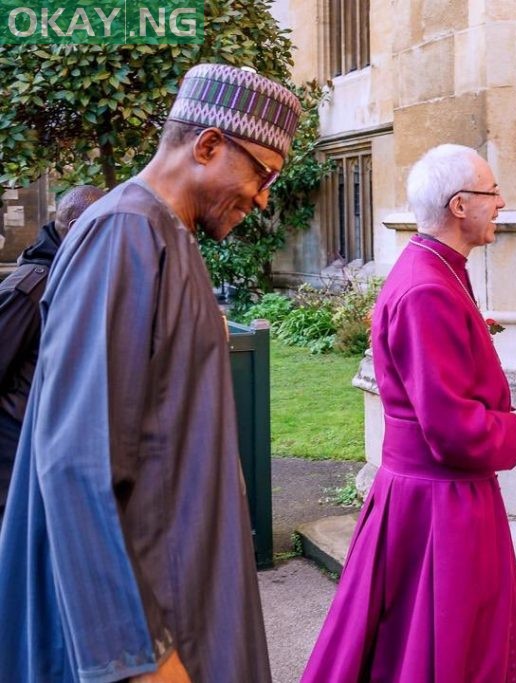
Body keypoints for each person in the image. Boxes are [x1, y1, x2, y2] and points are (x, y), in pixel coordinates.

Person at [0, 63, 300, 683]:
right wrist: (137, 656)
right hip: (151, 621)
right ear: (209, 145)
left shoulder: (165, 235)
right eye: (262, 173)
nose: (264, 195)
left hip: (182, 587)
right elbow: (77, 462)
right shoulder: (124, 233)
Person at [303, 144, 516, 683]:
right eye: (493, 193)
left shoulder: (435, 269)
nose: (502, 202)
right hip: (439, 504)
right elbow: (451, 430)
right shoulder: (427, 288)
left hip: (432, 497)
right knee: (446, 647)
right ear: (460, 205)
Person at [0, 185, 104, 521]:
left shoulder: (68, 279)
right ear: (77, 230)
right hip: (12, 462)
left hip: (45, 455)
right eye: (105, 228)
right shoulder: (30, 287)